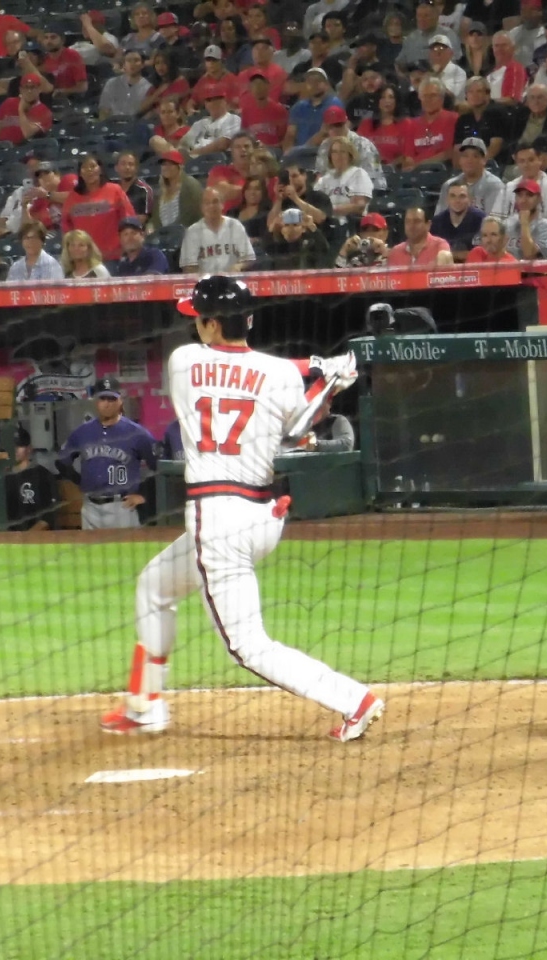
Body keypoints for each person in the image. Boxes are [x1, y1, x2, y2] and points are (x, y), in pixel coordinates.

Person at [99, 275, 384, 741]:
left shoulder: (183, 361)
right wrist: (325, 373)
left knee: (247, 647)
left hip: (218, 520)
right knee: (154, 585)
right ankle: (145, 703)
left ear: (213, 324)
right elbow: (299, 425)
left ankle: (354, 699)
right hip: (262, 514)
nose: (195, 325)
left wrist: (313, 370)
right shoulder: (281, 375)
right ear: (248, 320)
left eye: (200, 318)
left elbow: (244, 377)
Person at [54, 376, 155, 531]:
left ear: (120, 401)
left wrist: (144, 495)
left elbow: (159, 465)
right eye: (102, 398)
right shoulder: (82, 432)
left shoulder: (137, 433)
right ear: (96, 400)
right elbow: (61, 462)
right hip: (90, 507)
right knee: (90, 547)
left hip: (122, 506)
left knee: (124, 547)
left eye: (111, 399)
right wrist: (80, 481)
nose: (107, 404)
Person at [60, 154, 136, 261]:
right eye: (84, 167)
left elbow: (129, 221)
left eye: (92, 166)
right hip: (84, 259)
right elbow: (66, 226)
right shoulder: (72, 197)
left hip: (113, 257)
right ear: (80, 173)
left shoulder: (115, 190)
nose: (89, 170)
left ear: (100, 169)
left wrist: (125, 248)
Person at [180, 185, 255, 273]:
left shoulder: (235, 226)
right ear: (202, 207)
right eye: (207, 203)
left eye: (215, 202)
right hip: (205, 280)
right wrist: (203, 275)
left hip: (232, 279)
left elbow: (249, 258)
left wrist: (239, 266)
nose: (211, 206)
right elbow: (188, 266)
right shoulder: (193, 231)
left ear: (222, 204)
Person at [5, 427, 57, 531]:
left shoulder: (43, 475)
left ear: (29, 449)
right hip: (8, 537)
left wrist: (27, 537)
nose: (15, 450)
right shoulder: (3, 478)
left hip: (36, 536)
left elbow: (48, 518)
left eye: (19, 445)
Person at [313, 136, 372, 222]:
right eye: (334, 152)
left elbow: (359, 206)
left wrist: (328, 211)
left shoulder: (359, 174)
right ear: (330, 156)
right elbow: (314, 203)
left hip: (350, 222)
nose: (338, 156)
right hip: (325, 221)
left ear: (350, 155)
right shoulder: (325, 178)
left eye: (343, 152)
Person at [147, 151, 204, 231]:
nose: (166, 167)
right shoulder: (160, 192)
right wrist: (150, 227)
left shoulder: (190, 185)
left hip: (188, 233)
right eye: (164, 164)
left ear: (179, 167)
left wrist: (172, 232)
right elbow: (154, 219)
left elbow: (191, 214)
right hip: (163, 235)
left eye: (171, 164)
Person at [430, 182, 485, 260]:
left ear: (470, 200)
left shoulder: (482, 220)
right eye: (453, 196)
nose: (457, 200)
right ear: (447, 199)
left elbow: (486, 252)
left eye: (462, 196)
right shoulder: (437, 222)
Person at [502, 179, 547, 259]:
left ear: (539, 199)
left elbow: (529, 255)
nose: (523, 200)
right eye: (519, 195)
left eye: (529, 195)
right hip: (507, 266)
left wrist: (524, 223)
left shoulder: (545, 227)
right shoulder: (507, 223)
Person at [388, 206, 455, 266]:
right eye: (408, 221)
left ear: (428, 225)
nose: (411, 226)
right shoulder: (396, 252)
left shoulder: (439, 246)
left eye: (417, 221)